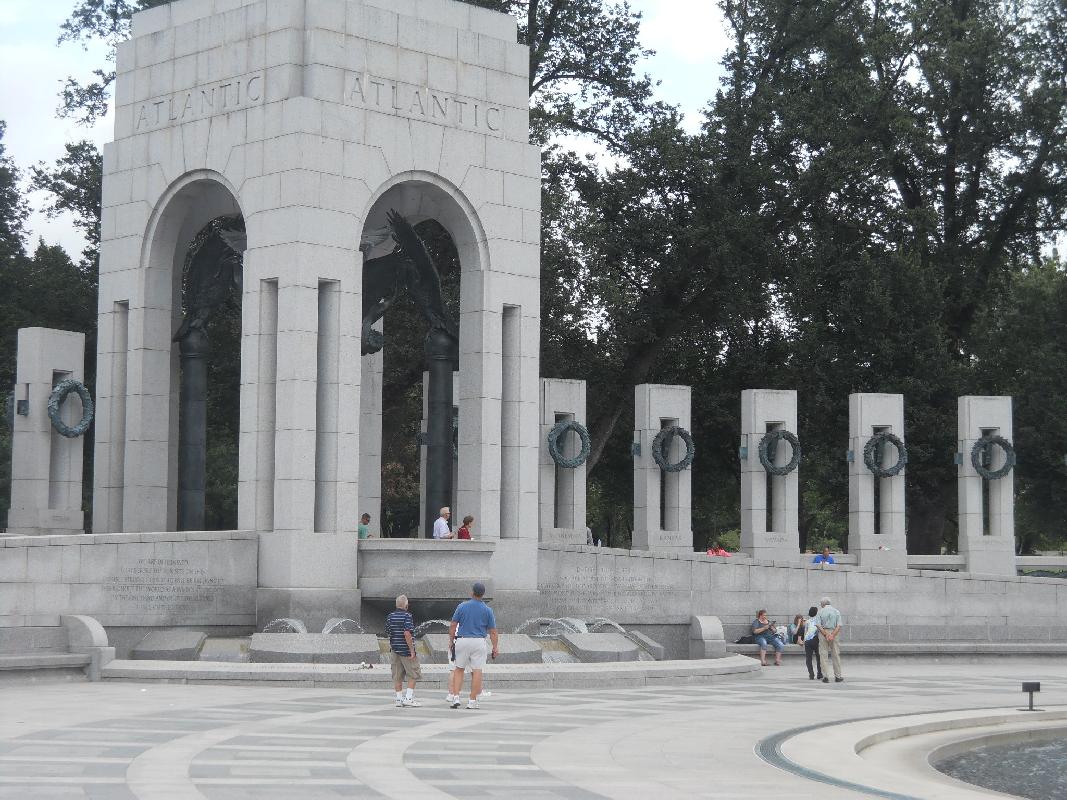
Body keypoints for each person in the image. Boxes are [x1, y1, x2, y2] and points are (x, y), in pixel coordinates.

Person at [447, 581, 499, 709]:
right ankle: (472, 701)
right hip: (478, 642)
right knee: (477, 671)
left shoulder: (462, 606)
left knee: (458, 670)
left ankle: (455, 698)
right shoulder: (488, 610)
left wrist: (451, 640)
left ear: (472, 592)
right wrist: (495, 646)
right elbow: (493, 631)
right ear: (483, 594)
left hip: (462, 640)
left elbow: (453, 625)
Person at [385, 594, 422, 707]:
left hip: (395, 650)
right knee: (413, 673)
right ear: (406, 605)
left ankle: (399, 699)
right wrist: (412, 650)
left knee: (397, 675)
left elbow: (387, 631)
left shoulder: (390, 616)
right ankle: (409, 698)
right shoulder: (407, 616)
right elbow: (407, 633)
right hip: (406, 650)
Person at [815, 596, 844, 683]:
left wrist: (825, 634)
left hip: (823, 633)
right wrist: (832, 635)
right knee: (836, 655)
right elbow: (839, 625)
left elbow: (818, 625)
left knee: (823, 655)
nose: (820, 605)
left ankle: (825, 677)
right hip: (834, 633)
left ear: (823, 604)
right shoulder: (836, 611)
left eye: (821, 604)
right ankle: (838, 676)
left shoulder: (820, 612)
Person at [802, 605, 823, 680]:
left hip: (808, 640)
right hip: (816, 640)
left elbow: (805, 632)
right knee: (819, 657)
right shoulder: (818, 621)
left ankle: (811, 674)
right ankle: (819, 673)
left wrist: (805, 640)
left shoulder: (807, 621)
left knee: (808, 658)